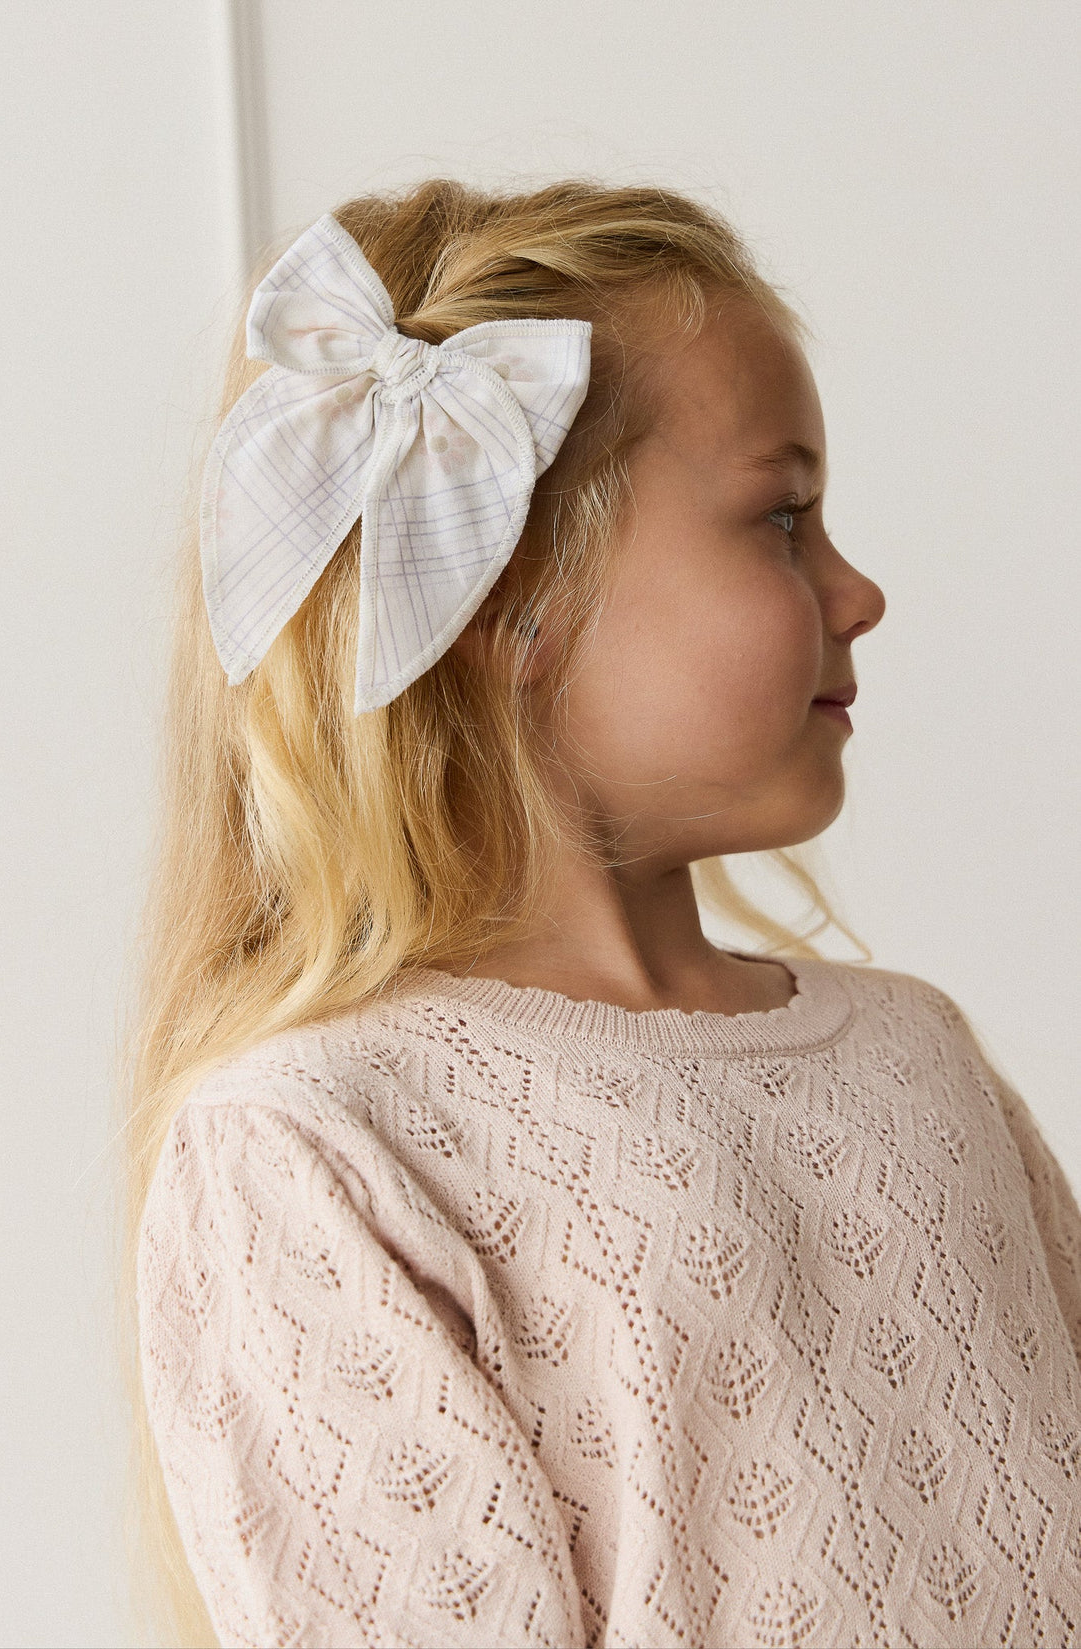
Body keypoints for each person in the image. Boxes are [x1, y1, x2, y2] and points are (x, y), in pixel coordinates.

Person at [123, 178, 1081, 1649]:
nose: (861, 591)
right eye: (784, 519)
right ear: (505, 594)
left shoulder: (917, 1054)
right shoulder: (325, 1140)